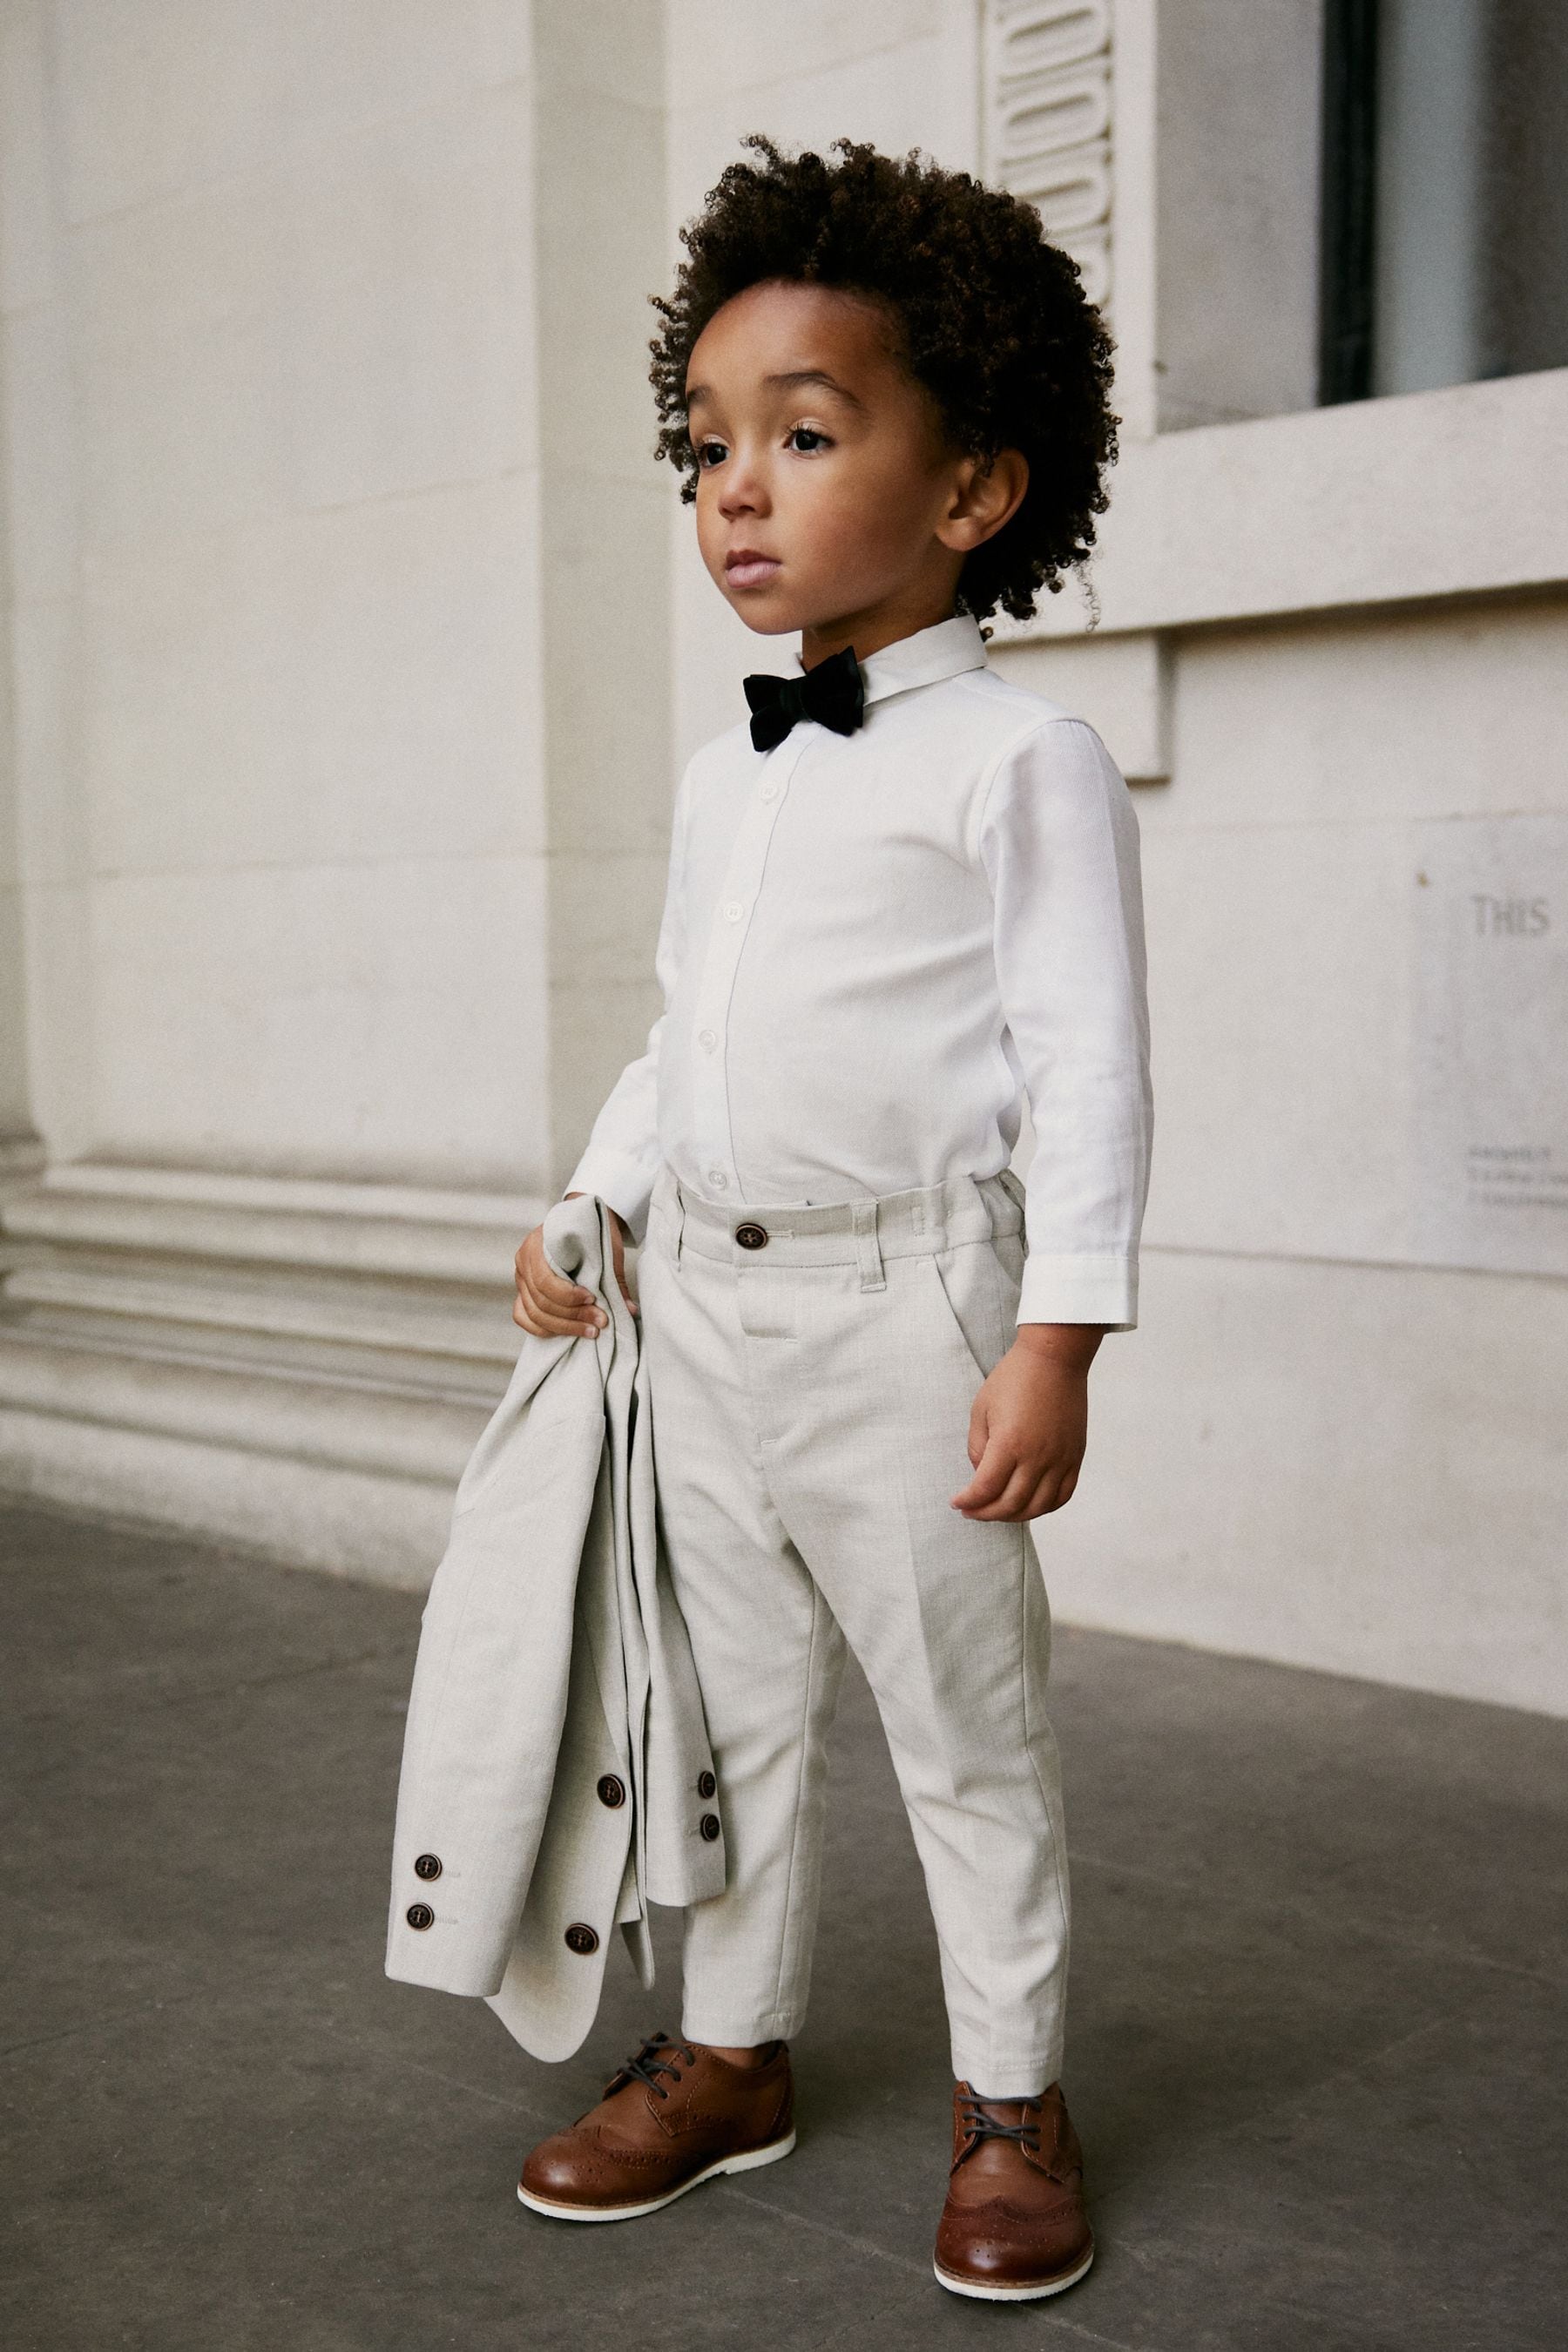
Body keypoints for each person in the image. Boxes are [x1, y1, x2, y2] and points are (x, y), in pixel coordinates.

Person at [509, 134, 1151, 2303]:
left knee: (962, 1720)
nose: (738, 492)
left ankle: (1011, 2096)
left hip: (911, 1305)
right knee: (728, 1705)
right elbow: (685, 1031)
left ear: (973, 488)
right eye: (709, 447)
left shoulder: (1019, 760)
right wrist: (597, 1195)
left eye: (804, 434)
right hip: (701, 1305)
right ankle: (730, 2049)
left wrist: (1058, 1332)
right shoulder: (729, 776)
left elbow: (1088, 1067)